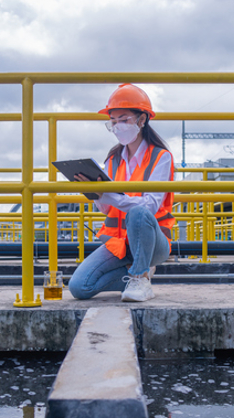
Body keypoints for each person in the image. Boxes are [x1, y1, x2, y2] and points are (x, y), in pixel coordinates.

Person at [68, 84, 175, 302]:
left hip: (153, 243)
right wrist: (96, 194)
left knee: (138, 211)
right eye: (113, 122)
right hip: (119, 243)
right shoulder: (112, 160)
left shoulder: (161, 157)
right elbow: (107, 208)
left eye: (124, 119)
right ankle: (137, 273)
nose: (118, 127)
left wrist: (109, 195)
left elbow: (149, 207)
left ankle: (141, 274)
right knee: (79, 287)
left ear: (142, 120)